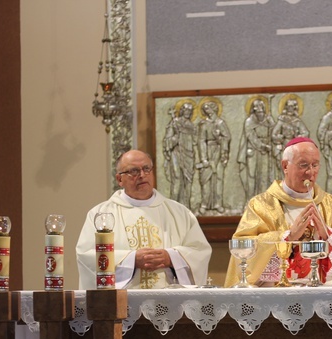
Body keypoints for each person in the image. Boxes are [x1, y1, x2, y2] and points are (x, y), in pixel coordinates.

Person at [224, 137, 332, 287]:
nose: (310, 172)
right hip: (277, 294)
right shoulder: (261, 205)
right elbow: (243, 248)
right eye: (303, 165)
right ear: (285, 166)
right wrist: (288, 236)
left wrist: (329, 235)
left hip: (325, 292)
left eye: (315, 165)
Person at [77, 150, 212, 289]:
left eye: (146, 169)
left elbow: (200, 252)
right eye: (133, 171)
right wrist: (132, 260)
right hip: (121, 303)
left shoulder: (179, 212)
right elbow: (86, 256)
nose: (142, 175)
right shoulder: (100, 215)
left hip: (170, 302)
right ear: (119, 179)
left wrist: (170, 257)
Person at [237, 98, 276, 200]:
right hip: (253, 151)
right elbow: (251, 136)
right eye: (257, 111)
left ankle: (264, 200)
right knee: (251, 175)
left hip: (266, 153)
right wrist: (262, 146)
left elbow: (273, 133)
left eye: (262, 110)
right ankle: (250, 199)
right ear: (253, 110)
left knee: (264, 175)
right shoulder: (249, 121)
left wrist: (272, 131)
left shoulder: (269, 119)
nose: (260, 113)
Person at [197, 99, 231, 214]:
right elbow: (201, 141)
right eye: (205, 109)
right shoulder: (203, 124)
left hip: (218, 152)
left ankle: (218, 203)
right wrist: (204, 158)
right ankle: (204, 203)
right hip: (207, 152)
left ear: (214, 109)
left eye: (208, 108)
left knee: (218, 179)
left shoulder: (220, 123)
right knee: (205, 180)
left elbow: (227, 137)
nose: (206, 111)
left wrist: (219, 139)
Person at [163, 101, 197, 207]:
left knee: (188, 180)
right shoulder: (175, 123)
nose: (188, 112)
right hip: (177, 153)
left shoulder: (192, 126)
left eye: (190, 111)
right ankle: (173, 205)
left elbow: (195, 141)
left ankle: (186, 205)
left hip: (189, 154)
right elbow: (166, 140)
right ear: (182, 111)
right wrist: (175, 138)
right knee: (177, 177)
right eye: (186, 110)